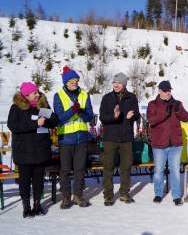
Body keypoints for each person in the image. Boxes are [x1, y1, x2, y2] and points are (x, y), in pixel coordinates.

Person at [7, 82, 59, 218]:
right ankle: (26, 206)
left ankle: (37, 205)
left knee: (38, 181)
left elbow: (54, 121)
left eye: (37, 92)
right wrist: (35, 123)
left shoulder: (41, 107)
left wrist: (45, 121)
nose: (38, 94)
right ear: (26, 95)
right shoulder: (16, 108)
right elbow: (13, 126)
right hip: (24, 152)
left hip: (40, 151)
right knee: (24, 181)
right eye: (34, 93)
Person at [53, 66, 94, 209]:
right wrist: (72, 110)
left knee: (80, 169)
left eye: (76, 80)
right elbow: (59, 119)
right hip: (66, 139)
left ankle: (78, 195)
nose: (74, 83)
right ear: (65, 82)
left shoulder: (84, 94)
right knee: (65, 169)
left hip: (81, 138)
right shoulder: (58, 95)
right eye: (71, 81)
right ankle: (65, 197)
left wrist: (80, 111)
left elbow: (89, 116)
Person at [99, 72, 140, 206]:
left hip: (126, 139)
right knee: (108, 167)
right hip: (110, 138)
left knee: (126, 167)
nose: (116, 85)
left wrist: (131, 117)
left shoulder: (132, 98)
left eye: (119, 83)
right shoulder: (107, 98)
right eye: (114, 82)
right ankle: (108, 195)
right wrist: (114, 116)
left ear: (124, 84)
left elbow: (137, 114)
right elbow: (102, 118)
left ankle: (124, 193)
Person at [147, 80, 188, 206]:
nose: (168, 93)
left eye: (169, 91)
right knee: (159, 170)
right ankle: (158, 194)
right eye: (165, 91)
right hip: (159, 144)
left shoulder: (177, 104)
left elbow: (186, 118)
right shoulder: (153, 104)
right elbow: (151, 120)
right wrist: (165, 112)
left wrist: (178, 111)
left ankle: (176, 196)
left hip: (175, 144)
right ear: (159, 91)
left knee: (175, 170)